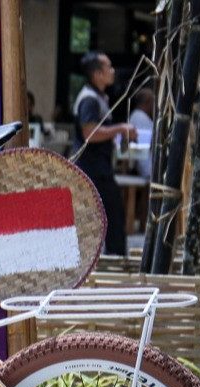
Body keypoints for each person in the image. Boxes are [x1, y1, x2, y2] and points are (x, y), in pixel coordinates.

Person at [72, 51, 137, 256]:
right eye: (108, 67)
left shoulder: (100, 97)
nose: (112, 71)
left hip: (100, 167)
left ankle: (114, 259)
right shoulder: (89, 100)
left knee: (111, 218)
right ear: (98, 74)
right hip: (92, 170)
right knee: (113, 218)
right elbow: (89, 133)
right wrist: (119, 129)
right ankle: (116, 260)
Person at [128, 87, 154, 180]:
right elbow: (143, 148)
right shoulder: (141, 118)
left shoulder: (136, 115)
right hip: (147, 167)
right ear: (147, 102)